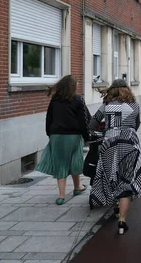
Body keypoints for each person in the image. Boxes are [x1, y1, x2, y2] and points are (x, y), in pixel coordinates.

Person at [88, 79, 141, 235]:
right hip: (129, 144)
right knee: (126, 181)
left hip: (109, 144)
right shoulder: (134, 105)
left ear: (112, 90)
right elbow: (136, 124)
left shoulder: (107, 105)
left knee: (111, 176)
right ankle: (122, 221)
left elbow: (93, 123)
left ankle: (116, 208)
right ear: (127, 89)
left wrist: (100, 131)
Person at [36, 75, 89, 206]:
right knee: (74, 161)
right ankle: (77, 187)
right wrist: (87, 137)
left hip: (56, 136)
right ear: (73, 86)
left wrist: (50, 134)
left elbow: (49, 118)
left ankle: (61, 195)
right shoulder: (78, 99)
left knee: (60, 163)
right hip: (73, 136)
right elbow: (84, 120)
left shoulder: (55, 100)